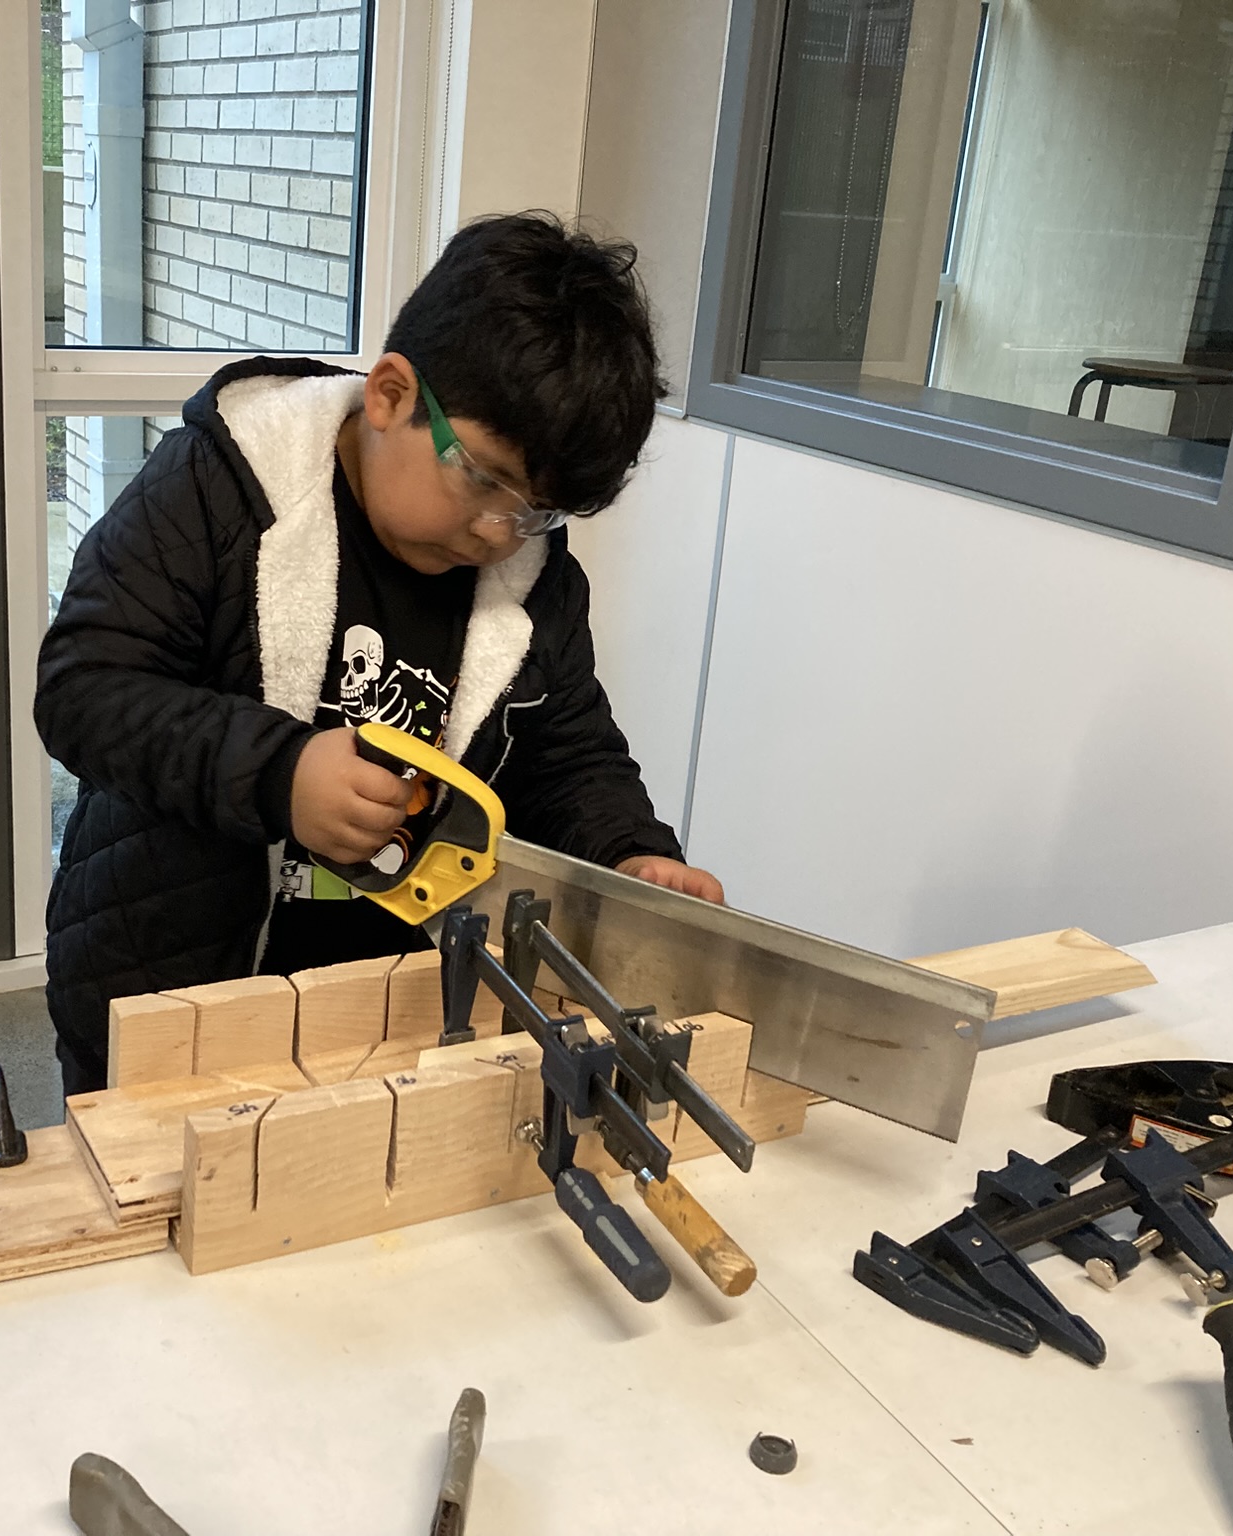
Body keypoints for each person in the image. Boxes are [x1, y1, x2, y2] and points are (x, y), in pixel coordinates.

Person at [36, 212, 723, 1096]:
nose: (498, 530)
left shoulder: (533, 580)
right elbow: (84, 690)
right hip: (172, 981)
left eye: (537, 510)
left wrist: (630, 854)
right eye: (483, 478)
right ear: (392, 395)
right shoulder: (217, 489)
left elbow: (570, 755)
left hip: (393, 1009)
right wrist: (280, 774)